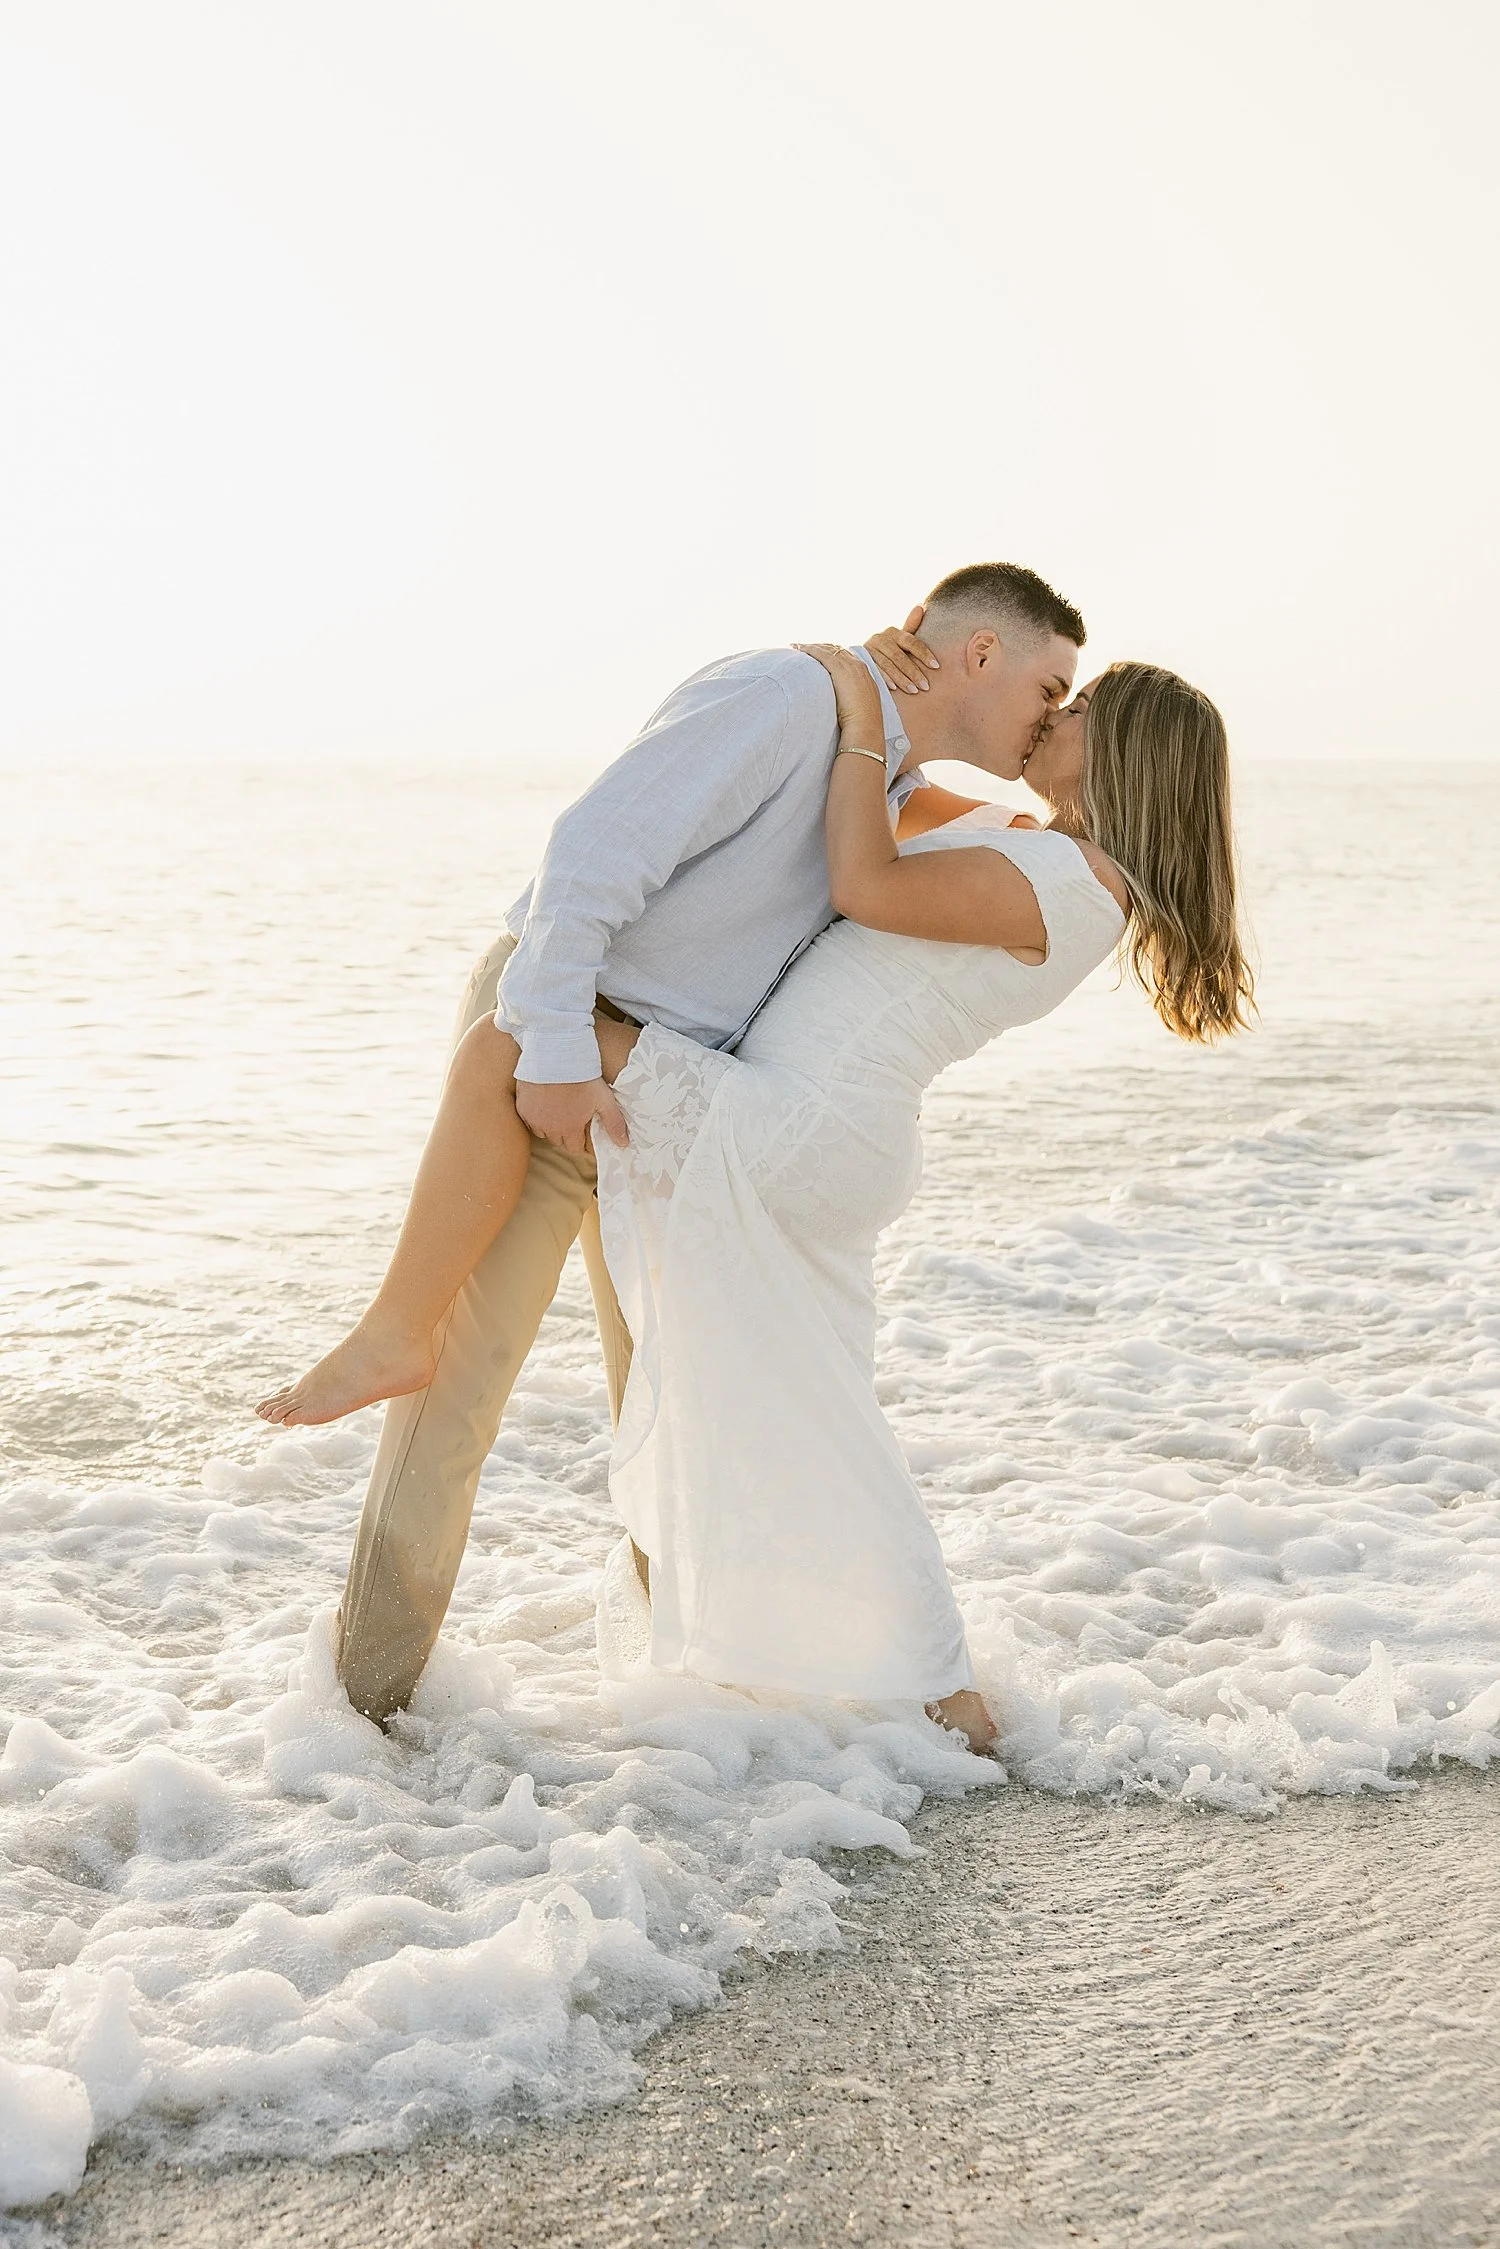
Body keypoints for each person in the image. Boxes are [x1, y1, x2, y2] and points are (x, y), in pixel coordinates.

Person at [260, 623, 1253, 1749]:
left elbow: (862, 876)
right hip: (810, 1125)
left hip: (800, 1126)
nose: (1052, 720)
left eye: (1077, 710)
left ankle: (395, 1333)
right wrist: (863, 702)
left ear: (1126, 753)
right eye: (1054, 694)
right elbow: (890, 801)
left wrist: (858, 704)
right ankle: (929, 1697)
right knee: (803, 1413)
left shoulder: (1070, 883)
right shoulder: (1038, 850)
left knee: (508, 1041)